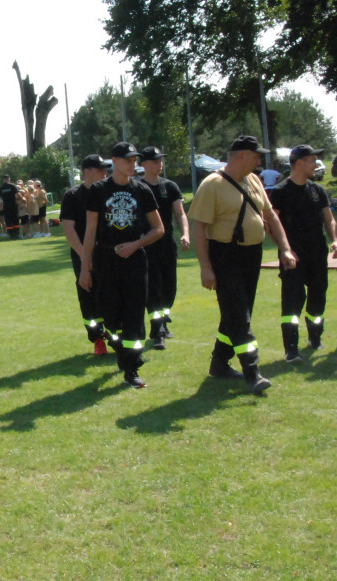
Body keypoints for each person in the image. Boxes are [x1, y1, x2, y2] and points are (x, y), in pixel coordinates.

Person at [188, 136, 297, 394]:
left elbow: (270, 216)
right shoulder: (212, 184)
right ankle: (253, 372)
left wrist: (285, 248)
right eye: (255, 155)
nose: (259, 160)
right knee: (239, 314)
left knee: (237, 312)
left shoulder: (254, 180)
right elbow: (199, 228)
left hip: (252, 255)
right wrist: (205, 267)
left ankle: (219, 364)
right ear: (240, 156)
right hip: (225, 255)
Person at [79, 142, 165, 390]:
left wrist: (136, 244)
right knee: (112, 317)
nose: (132, 164)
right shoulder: (97, 191)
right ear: (114, 161)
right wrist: (85, 268)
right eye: (127, 159)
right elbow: (90, 231)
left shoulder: (142, 190)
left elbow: (159, 229)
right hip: (106, 261)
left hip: (135, 261)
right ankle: (120, 350)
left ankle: (132, 368)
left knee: (135, 316)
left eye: (134, 160)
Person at [269, 145, 337, 362]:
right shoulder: (281, 191)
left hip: (317, 253)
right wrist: (284, 250)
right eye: (312, 160)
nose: (316, 164)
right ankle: (291, 348)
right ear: (300, 162)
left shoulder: (317, 190)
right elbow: (271, 224)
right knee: (293, 300)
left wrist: (335, 240)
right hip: (293, 256)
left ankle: (315, 338)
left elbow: (328, 218)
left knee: (318, 296)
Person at [137, 146, 190, 349]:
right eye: (155, 160)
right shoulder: (138, 187)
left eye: (161, 160)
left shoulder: (170, 186)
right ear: (144, 164)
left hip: (167, 244)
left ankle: (163, 321)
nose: (160, 163)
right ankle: (156, 329)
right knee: (154, 288)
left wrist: (185, 233)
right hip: (148, 245)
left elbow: (180, 213)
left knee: (169, 288)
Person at [60, 154, 111, 355]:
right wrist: (84, 256)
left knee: (111, 292)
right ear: (87, 171)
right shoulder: (72, 196)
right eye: (100, 169)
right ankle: (97, 338)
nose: (105, 173)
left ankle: (115, 334)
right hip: (83, 254)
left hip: (108, 253)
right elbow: (69, 229)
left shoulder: (108, 193)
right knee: (88, 294)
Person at [0, 174, 21, 239]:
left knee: (8, 220)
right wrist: (21, 199)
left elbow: (1, 197)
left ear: (3, 179)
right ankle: (16, 234)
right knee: (15, 219)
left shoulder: (1, 188)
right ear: (9, 179)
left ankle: (11, 234)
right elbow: (18, 194)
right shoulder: (12, 186)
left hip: (6, 206)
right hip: (13, 205)